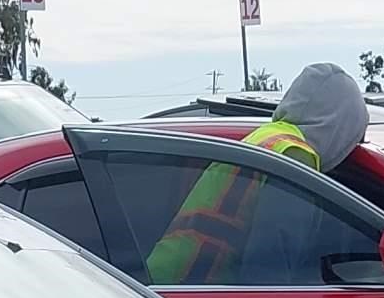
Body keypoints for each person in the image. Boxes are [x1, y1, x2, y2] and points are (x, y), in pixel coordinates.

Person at [146, 64, 370, 285]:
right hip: (198, 287)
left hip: (174, 277)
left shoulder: (267, 137)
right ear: (340, 129)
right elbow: (271, 264)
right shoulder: (296, 156)